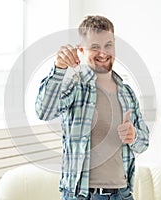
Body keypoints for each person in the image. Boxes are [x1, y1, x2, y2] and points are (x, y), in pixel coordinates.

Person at [35, 15, 149, 200]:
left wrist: (133, 135)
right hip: (81, 195)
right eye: (95, 47)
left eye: (108, 45)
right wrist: (58, 69)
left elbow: (143, 143)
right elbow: (44, 111)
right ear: (81, 49)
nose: (103, 53)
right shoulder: (74, 85)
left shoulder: (127, 93)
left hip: (122, 194)